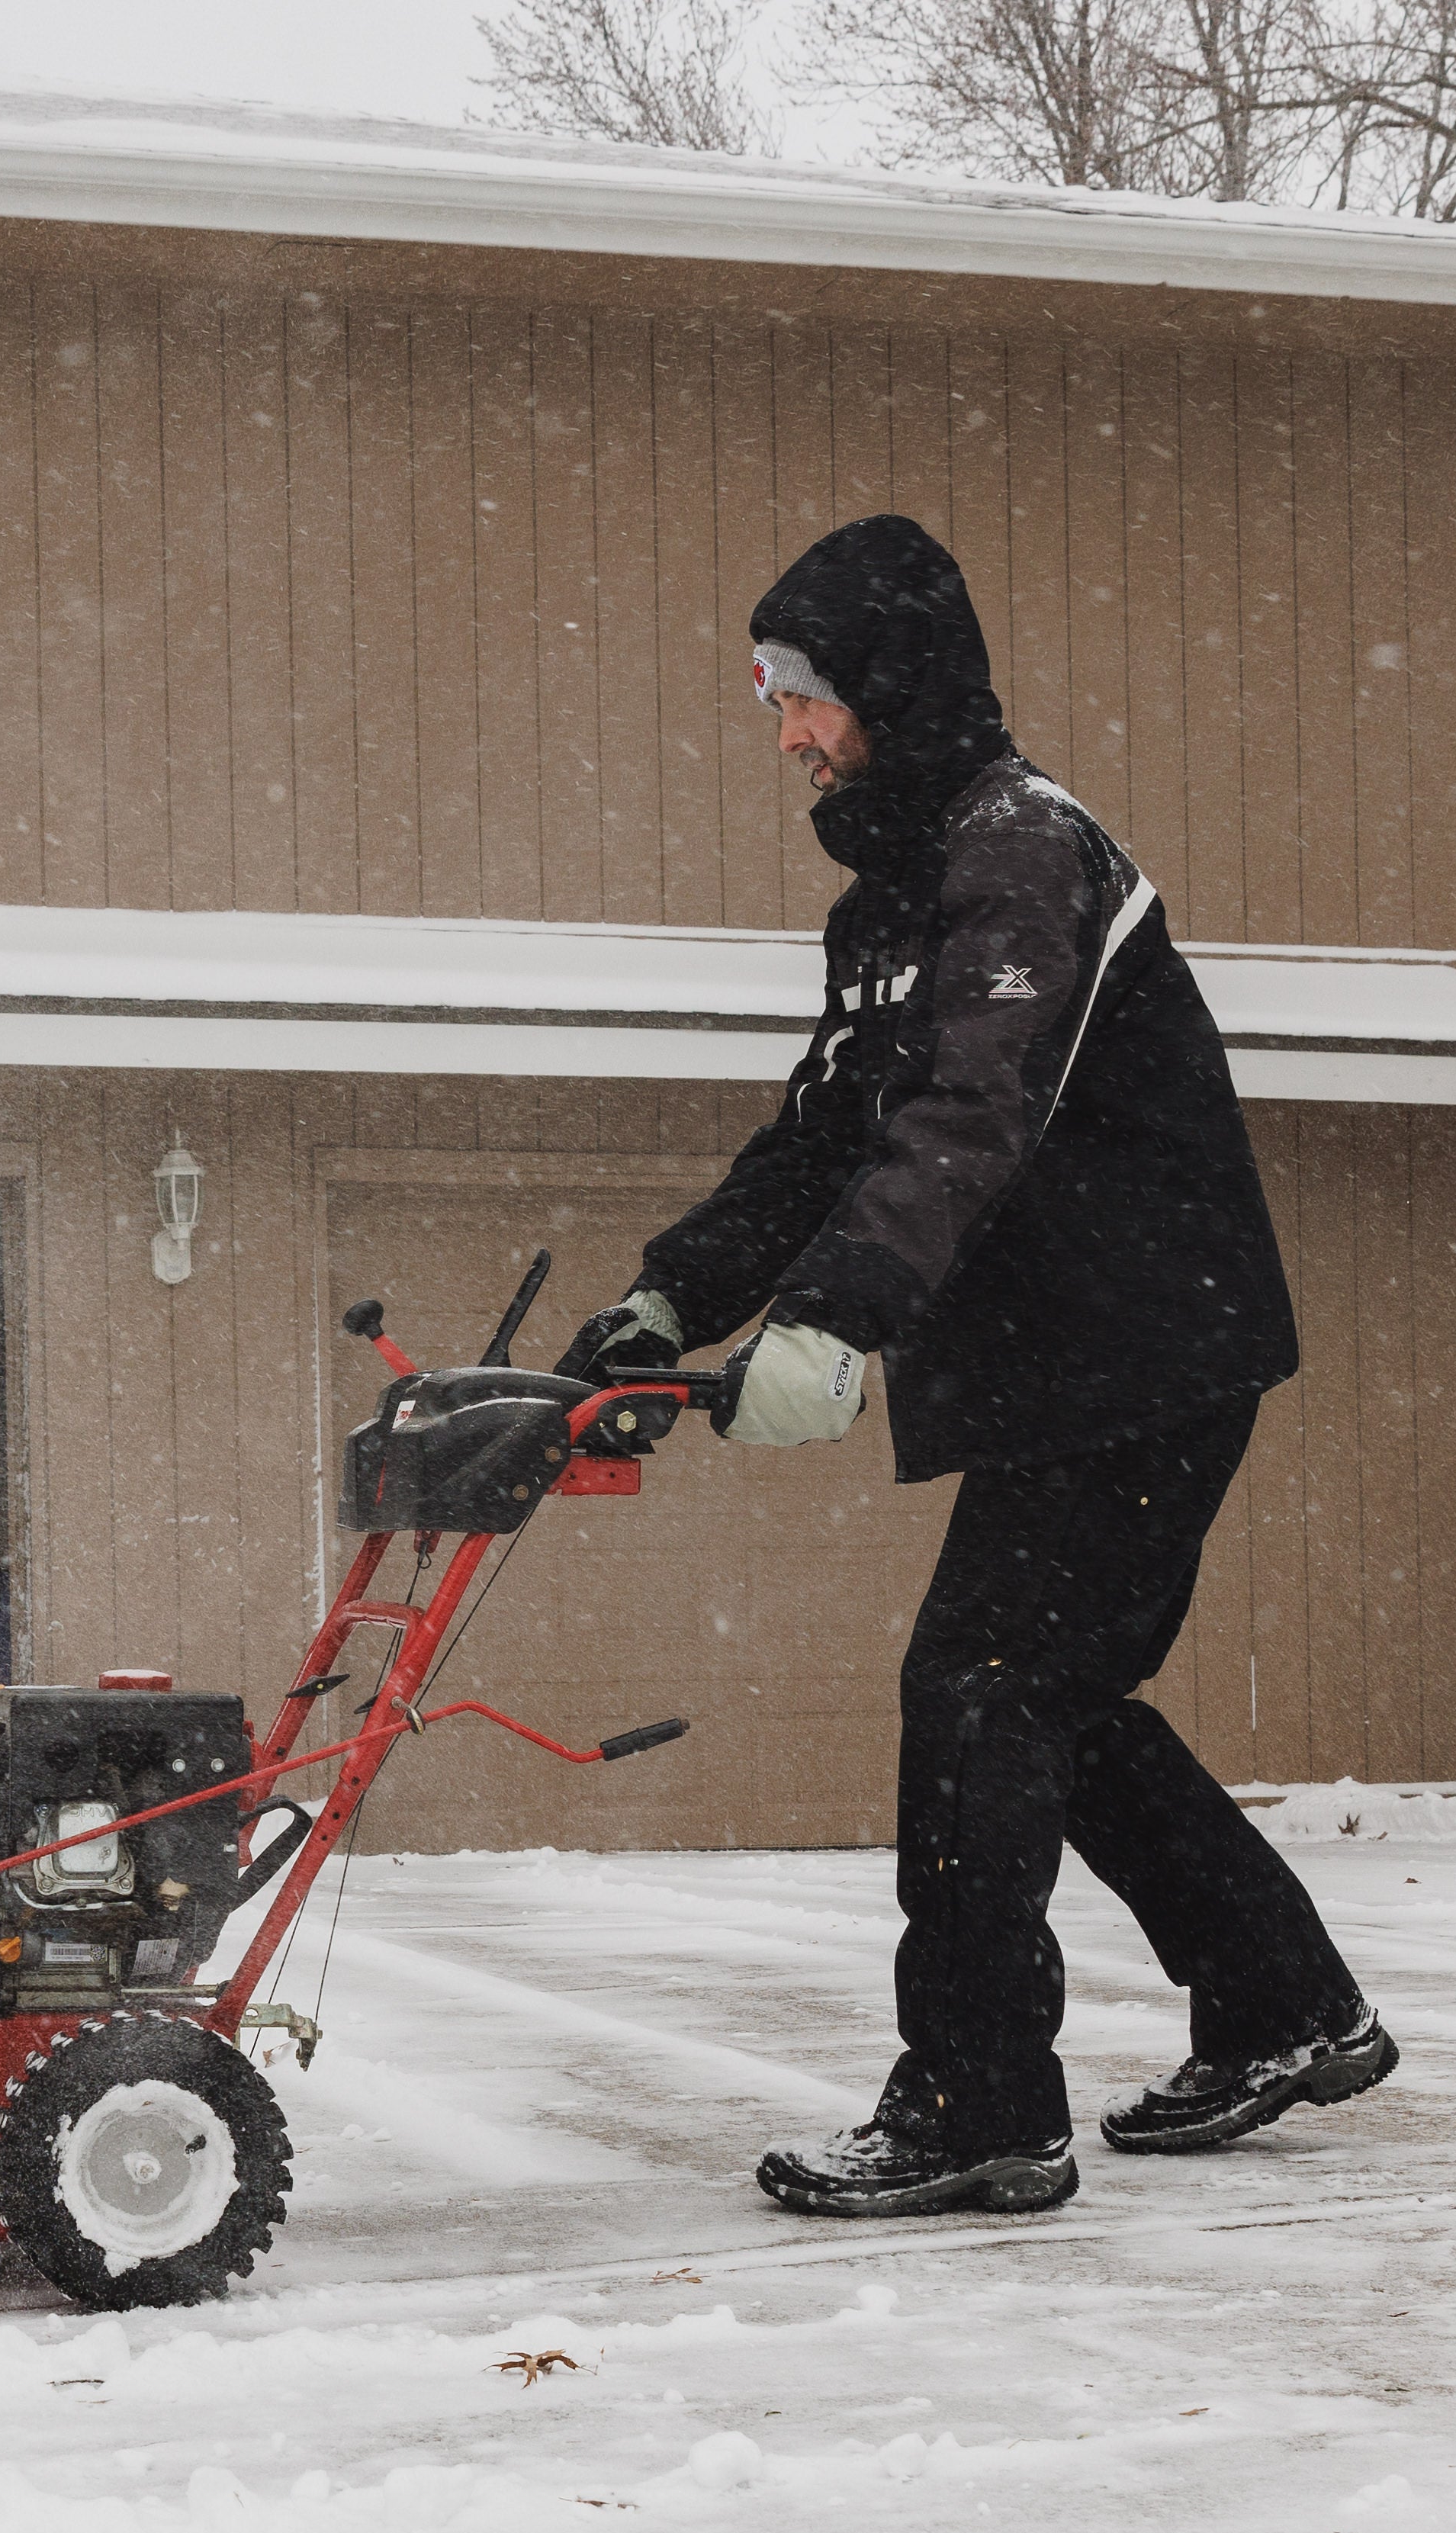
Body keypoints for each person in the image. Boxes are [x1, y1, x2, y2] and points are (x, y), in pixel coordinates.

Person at [551, 514, 1393, 2220]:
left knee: (982, 1692)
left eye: (804, 696)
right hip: (1067, 1358)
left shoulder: (1022, 855)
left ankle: (976, 2100)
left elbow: (972, 1107)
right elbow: (818, 1138)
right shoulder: (891, 899)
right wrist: (668, 1298)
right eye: (769, 699)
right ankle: (1282, 2004)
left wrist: (840, 1314)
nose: (785, 731)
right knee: (1047, 1697)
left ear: (893, 686)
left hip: (1143, 1342)